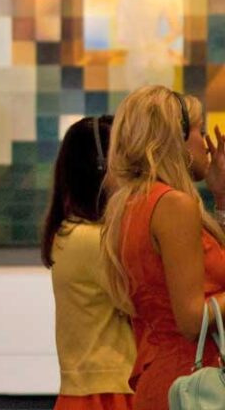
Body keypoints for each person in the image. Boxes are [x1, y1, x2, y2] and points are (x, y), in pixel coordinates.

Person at [101, 85, 225, 410]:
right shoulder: (174, 205)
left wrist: (222, 198)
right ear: (178, 139)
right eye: (199, 131)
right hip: (194, 385)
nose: (206, 144)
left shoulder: (132, 204)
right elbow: (191, 319)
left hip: (166, 378)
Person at [41, 115, 135, 410]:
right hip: (109, 392)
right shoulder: (93, 241)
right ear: (102, 170)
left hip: (93, 389)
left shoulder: (70, 233)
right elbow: (144, 302)